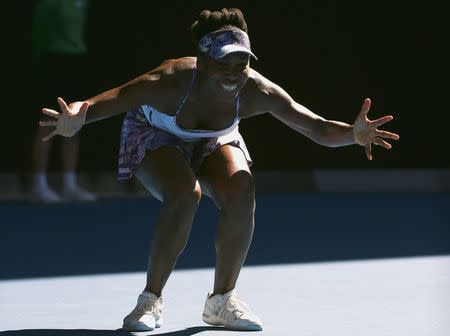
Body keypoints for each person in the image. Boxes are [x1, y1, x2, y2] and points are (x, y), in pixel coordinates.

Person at [39, 8, 399, 331]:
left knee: (242, 190)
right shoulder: (167, 81)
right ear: (202, 61)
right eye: (223, 63)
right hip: (155, 134)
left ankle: (221, 302)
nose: (233, 73)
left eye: (241, 63)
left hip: (215, 138)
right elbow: (102, 103)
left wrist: (353, 134)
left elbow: (317, 128)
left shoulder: (257, 89)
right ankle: (150, 301)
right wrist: (74, 118)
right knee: (184, 194)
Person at [31, 0, 96, 203]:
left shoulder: (84, 3)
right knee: (47, 123)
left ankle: (69, 184)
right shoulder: (47, 4)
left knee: (75, 122)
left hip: (76, 64)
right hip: (53, 62)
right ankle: (39, 184)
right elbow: (38, 34)